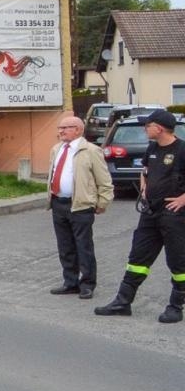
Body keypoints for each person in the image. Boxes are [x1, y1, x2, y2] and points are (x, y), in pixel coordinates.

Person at [95, 111, 185, 322]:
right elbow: (144, 172)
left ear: (160, 128)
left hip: (175, 215)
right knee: (137, 257)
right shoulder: (152, 148)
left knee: (178, 262)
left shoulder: (182, 149)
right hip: (150, 213)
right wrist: (144, 191)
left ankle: (176, 306)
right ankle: (123, 302)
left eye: (148, 125)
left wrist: (182, 199)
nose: (145, 129)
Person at [47, 112, 113, 299]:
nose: (60, 131)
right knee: (65, 246)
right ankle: (70, 282)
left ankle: (87, 284)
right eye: (59, 128)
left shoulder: (90, 150)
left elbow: (104, 180)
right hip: (59, 203)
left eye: (65, 128)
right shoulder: (56, 149)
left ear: (77, 130)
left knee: (83, 246)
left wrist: (103, 202)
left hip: (81, 205)